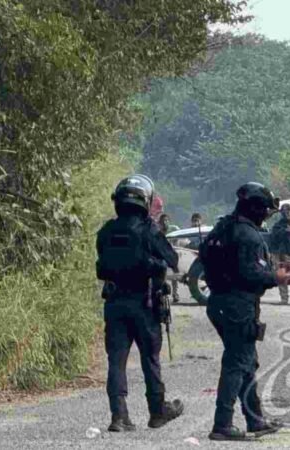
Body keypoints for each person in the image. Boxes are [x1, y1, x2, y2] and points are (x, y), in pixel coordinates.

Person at [199, 182, 290, 441]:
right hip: (238, 305)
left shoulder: (223, 227)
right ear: (257, 210)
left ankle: (255, 419)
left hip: (218, 302)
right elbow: (250, 274)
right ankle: (222, 424)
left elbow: (205, 256)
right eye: (266, 211)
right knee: (237, 362)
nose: (267, 216)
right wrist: (276, 277)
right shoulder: (248, 236)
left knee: (246, 361)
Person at [95, 175, 184, 432]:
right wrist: (154, 264)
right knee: (150, 359)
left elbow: (103, 263)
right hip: (145, 303)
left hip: (115, 303)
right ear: (145, 200)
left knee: (116, 360)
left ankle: (119, 416)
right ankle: (157, 412)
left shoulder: (107, 230)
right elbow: (173, 259)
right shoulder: (148, 230)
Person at [158, 214, 182, 304]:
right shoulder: (157, 233)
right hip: (162, 256)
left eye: (166, 220)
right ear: (160, 223)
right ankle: (164, 293)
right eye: (163, 221)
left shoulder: (173, 230)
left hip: (172, 256)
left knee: (175, 274)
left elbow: (177, 242)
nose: (165, 222)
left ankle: (175, 294)